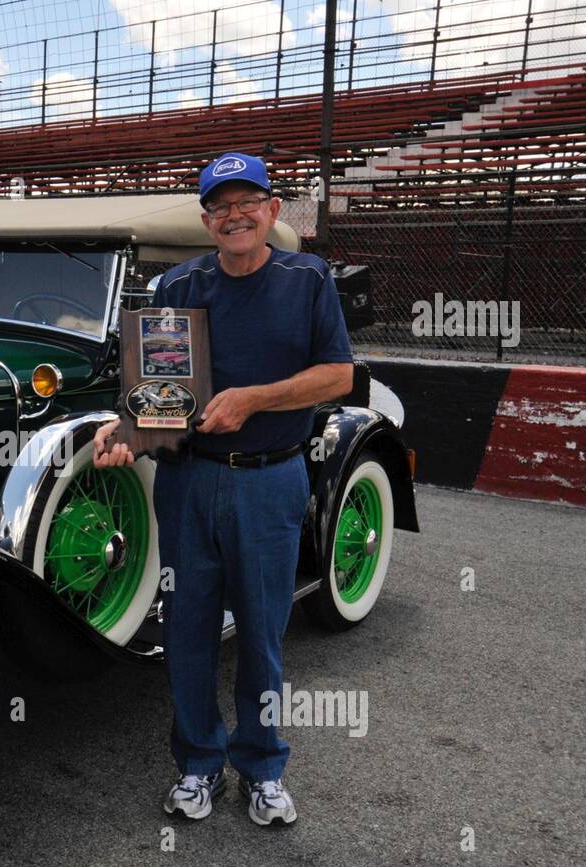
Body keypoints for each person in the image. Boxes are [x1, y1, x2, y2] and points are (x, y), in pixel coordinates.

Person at [93, 152, 354, 826]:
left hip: (270, 479)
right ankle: (199, 765)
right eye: (220, 205)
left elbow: (338, 377)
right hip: (187, 481)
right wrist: (123, 430)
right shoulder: (179, 285)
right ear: (207, 219)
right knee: (187, 628)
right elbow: (159, 397)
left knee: (264, 632)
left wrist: (254, 400)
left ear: (271, 210)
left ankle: (263, 767)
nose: (234, 215)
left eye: (248, 201)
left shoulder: (308, 279)